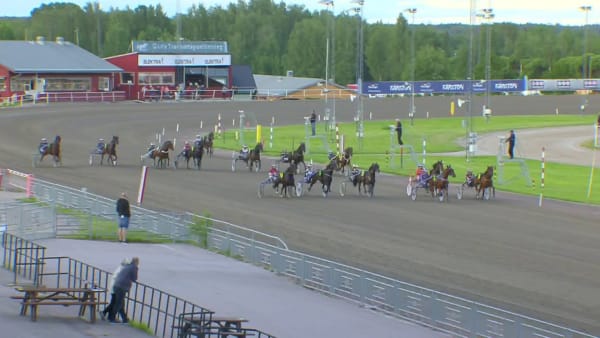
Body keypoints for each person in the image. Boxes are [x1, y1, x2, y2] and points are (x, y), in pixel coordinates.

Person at [108, 257, 139, 323]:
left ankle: (125, 319)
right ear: (136, 262)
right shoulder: (134, 267)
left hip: (116, 285)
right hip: (122, 287)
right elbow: (134, 278)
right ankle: (111, 318)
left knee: (120, 303)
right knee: (119, 303)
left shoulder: (127, 266)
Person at [101, 258, 130, 323]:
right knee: (118, 304)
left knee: (115, 303)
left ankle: (108, 315)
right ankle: (111, 316)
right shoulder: (123, 270)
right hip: (117, 289)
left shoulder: (120, 269)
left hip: (114, 288)